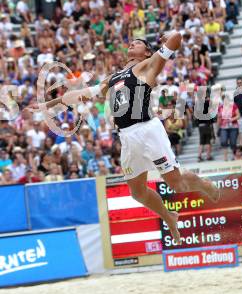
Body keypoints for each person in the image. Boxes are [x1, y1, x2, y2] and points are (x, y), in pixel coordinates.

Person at [38, 34, 220, 243]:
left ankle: (205, 185)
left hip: (148, 130)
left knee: (176, 184)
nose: (132, 43)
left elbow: (176, 39)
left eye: (139, 43)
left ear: (147, 52)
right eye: (131, 42)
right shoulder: (113, 78)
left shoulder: (148, 65)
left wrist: (171, 37)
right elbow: (80, 94)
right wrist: (48, 105)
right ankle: (169, 217)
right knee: (138, 193)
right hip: (126, 136)